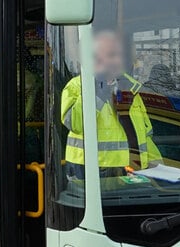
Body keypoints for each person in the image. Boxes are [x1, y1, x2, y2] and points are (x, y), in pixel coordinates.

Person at [60, 30, 160, 178]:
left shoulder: (130, 87)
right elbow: (75, 124)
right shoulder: (76, 86)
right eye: (104, 56)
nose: (111, 61)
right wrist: (99, 91)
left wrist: (157, 166)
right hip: (88, 170)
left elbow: (145, 135)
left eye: (115, 55)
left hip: (129, 170)